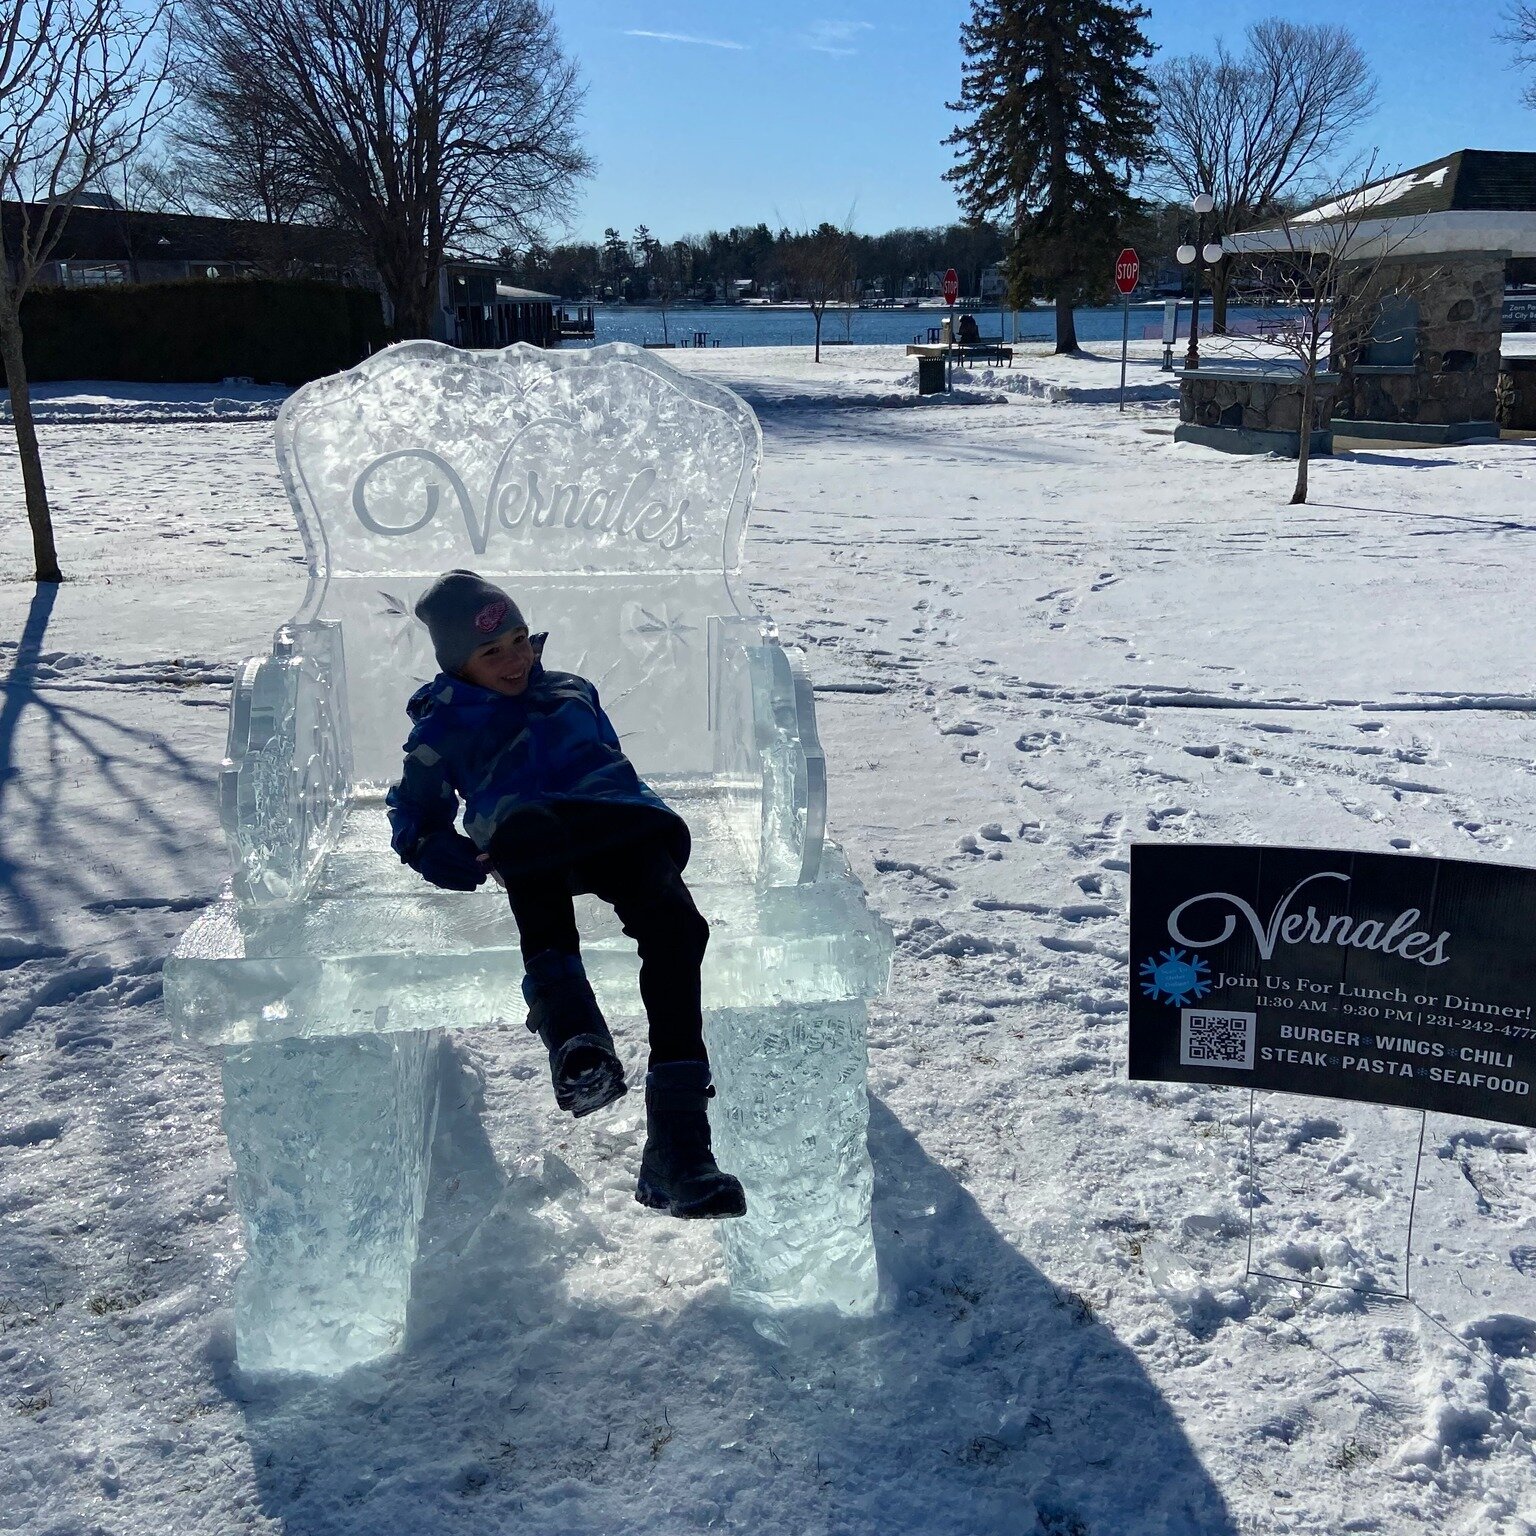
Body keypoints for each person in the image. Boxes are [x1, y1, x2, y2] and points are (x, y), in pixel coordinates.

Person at [385, 569, 747, 1221]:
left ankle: (680, 1146)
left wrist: (630, 816)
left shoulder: (574, 691)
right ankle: (572, 1031)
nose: (515, 659)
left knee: (678, 927)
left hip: (617, 820)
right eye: (491, 652)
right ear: (458, 664)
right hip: (530, 833)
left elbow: (610, 762)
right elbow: (414, 807)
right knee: (528, 832)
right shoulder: (444, 726)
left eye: (520, 639)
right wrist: (427, 843)